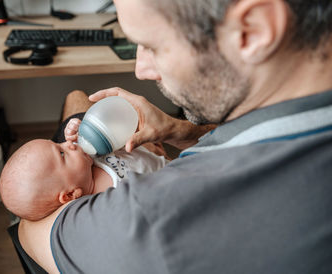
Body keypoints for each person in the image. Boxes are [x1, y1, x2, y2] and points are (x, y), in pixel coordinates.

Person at [18, 0, 332, 273]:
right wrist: (179, 130)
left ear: (253, 28)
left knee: (76, 100)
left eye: (152, 45)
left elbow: (30, 230)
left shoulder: (154, 219)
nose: (141, 70)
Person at [0, 128, 168, 222]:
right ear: (71, 194)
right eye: (62, 153)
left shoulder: (88, 160)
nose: (68, 144)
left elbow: (104, 135)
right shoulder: (107, 203)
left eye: (59, 143)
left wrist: (78, 127)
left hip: (162, 159)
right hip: (169, 180)